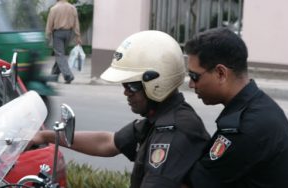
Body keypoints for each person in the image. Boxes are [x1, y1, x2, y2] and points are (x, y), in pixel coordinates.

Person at [30, 30, 211, 187]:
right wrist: (46, 136)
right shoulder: (159, 117)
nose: (126, 93)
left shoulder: (175, 131)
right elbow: (108, 142)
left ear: (156, 82)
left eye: (131, 86)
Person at [184, 27, 288, 188]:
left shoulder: (247, 127)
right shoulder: (259, 105)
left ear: (221, 73)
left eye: (194, 76)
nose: (191, 84)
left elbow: (192, 184)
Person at [45, 0, 82, 84]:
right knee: (60, 54)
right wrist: (78, 36)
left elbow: (49, 23)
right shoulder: (72, 8)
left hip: (58, 33)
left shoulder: (54, 8)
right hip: (69, 33)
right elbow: (76, 23)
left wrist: (47, 35)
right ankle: (53, 75)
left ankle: (68, 75)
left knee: (59, 54)